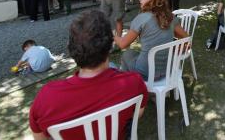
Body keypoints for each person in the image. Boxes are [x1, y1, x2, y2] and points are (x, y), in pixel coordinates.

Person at [29, 10, 148, 139]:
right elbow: (138, 114)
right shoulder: (134, 82)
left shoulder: (46, 98)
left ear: (71, 49)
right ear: (110, 45)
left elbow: (40, 137)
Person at [114, 0, 189, 80]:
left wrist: (114, 36)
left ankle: (129, 87)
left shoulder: (142, 18)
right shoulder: (170, 17)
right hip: (169, 69)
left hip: (146, 72)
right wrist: (177, 48)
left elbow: (122, 44)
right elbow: (186, 38)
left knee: (127, 54)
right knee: (134, 53)